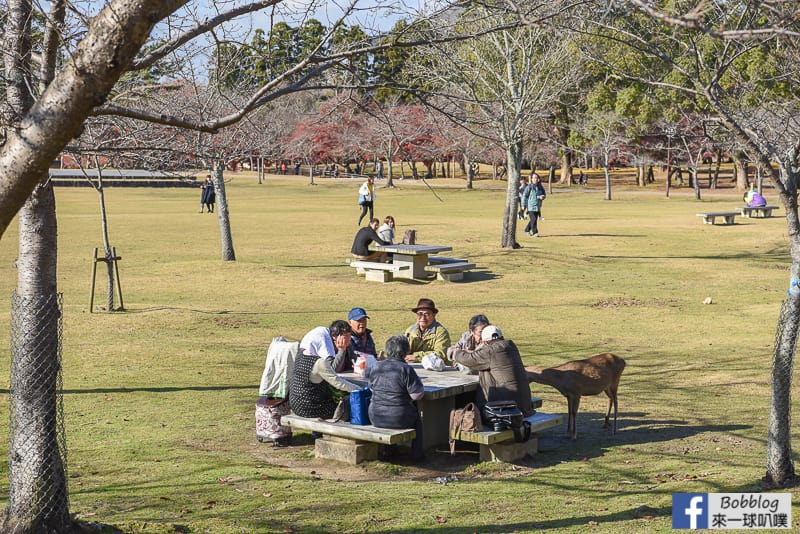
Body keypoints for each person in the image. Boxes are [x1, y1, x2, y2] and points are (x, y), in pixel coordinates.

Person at [365, 334, 425, 460]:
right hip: (399, 418)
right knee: (417, 415)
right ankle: (417, 454)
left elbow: (371, 387)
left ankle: (389, 450)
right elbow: (417, 395)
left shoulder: (376, 366)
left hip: (375, 416)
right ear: (405, 351)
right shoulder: (406, 369)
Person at [451, 325, 533, 416]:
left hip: (506, 408)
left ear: (485, 342)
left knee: (466, 401)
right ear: (501, 337)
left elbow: (469, 359)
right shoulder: (511, 347)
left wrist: (457, 353)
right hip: (524, 406)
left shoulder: (491, 351)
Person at [290, 320, 360, 420]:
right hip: (309, 406)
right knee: (346, 408)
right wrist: (360, 389)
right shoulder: (320, 363)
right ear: (335, 338)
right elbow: (337, 382)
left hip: (295, 403)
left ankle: (318, 434)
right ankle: (328, 434)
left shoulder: (301, 356)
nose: (349, 339)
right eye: (347, 336)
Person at [404, 298, 451, 363]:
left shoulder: (441, 333)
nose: (423, 318)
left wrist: (416, 357)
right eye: (420, 314)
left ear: (434, 315)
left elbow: (440, 354)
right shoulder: (410, 330)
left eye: (427, 314)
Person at [335, 307, 377, 373]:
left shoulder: (368, 335)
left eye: (364, 320)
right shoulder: (346, 338)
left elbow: (373, 355)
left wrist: (378, 360)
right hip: (351, 374)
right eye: (359, 320)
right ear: (350, 322)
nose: (362, 323)